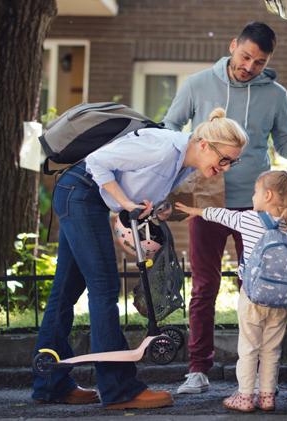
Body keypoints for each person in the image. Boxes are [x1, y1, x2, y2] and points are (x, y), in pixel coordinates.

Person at [31, 108, 248, 409]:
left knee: (65, 292)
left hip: (83, 197)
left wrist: (159, 208)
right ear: (203, 144)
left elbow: (139, 184)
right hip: (80, 194)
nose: (225, 167)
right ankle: (119, 389)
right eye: (223, 159)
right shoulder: (162, 147)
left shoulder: (183, 164)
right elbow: (97, 162)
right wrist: (126, 204)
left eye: (232, 162)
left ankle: (50, 384)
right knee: (104, 288)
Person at [163, 21, 287, 395]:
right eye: (245, 57)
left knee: (255, 288)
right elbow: (170, 126)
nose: (249, 66)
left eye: (259, 62)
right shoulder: (197, 85)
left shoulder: (275, 94)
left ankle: (254, 369)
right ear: (232, 46)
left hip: (258, 204)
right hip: (207, 199)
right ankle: (197, 369)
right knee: (205, 286)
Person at [175, 169, 287, 412]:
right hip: (283, 300)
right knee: (271, 349)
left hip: (253, 296)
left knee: (249, 347)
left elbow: (221, 215)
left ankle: (245, 396)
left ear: (267, 195)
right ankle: (267, 396)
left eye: (255, 192)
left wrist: (197, 211)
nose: (252, 197)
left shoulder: (249, 219)